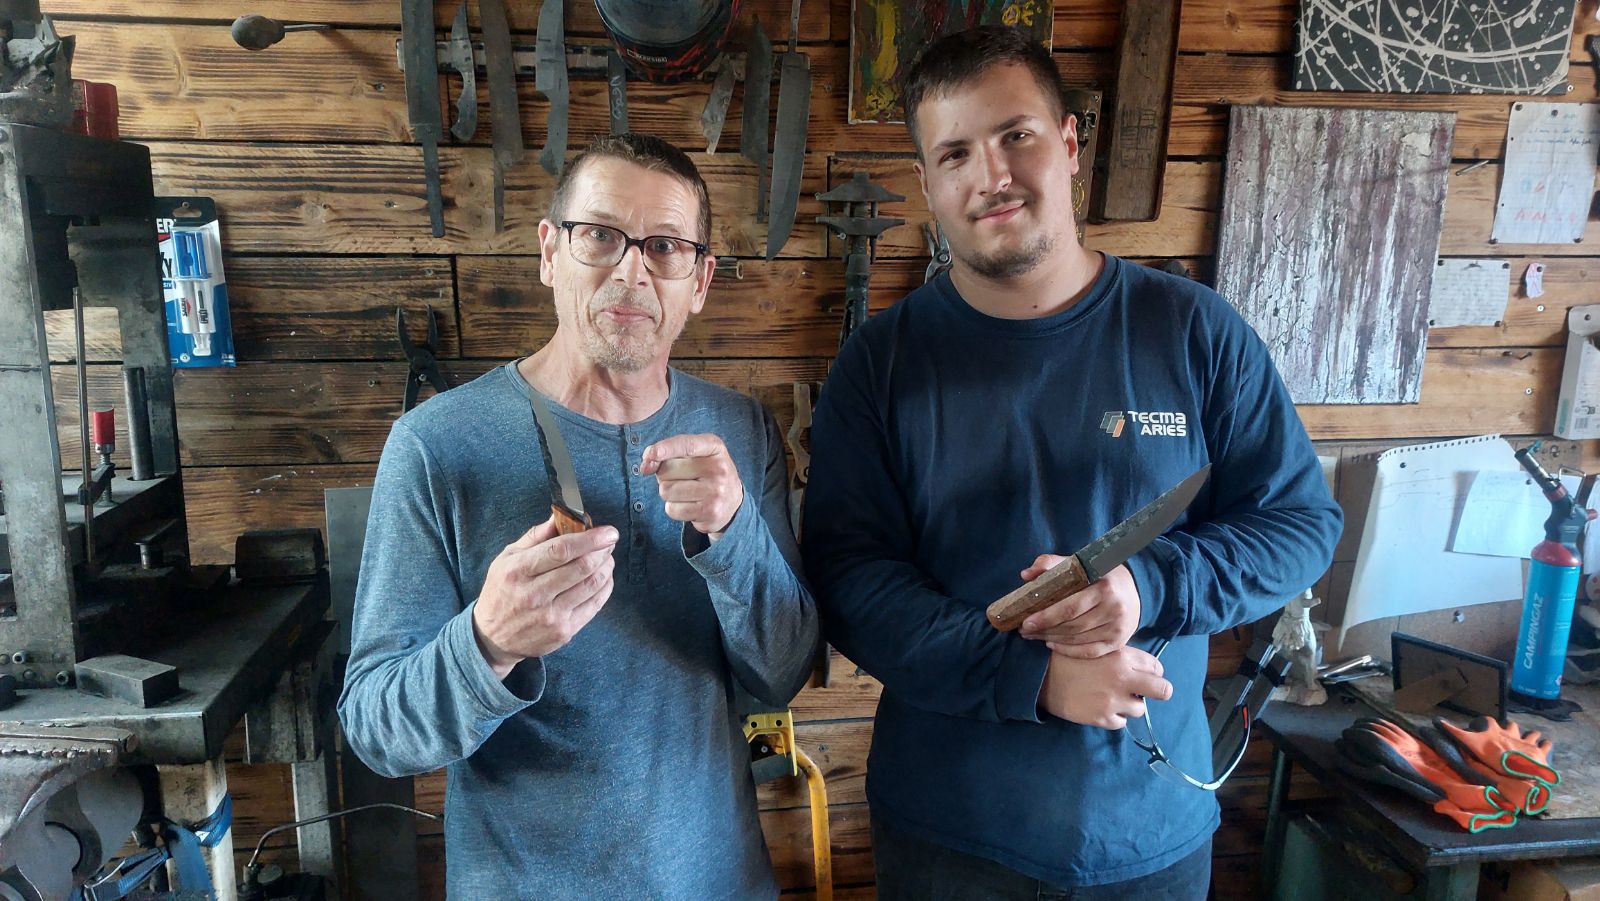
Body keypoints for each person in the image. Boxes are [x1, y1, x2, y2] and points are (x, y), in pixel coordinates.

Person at [801, 26, 1343, 899]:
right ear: (928, 185)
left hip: (1153, 834)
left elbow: (1300, 526)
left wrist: (1150, 586)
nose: (992, 175)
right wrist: (1032, 675)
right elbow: (851, 583)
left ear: (1069, 143)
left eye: (1015, 135)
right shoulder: (879, 364)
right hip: (949, 835)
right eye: (955, 154)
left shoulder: (1195, 331)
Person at [338, 132, 819, 899]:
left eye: (664, 246)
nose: (631, 270)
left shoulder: (742, 431)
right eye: (600, 235)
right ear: (549, 252)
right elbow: (377, 730)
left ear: (699, 280)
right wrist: (488, 641)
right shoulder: (435, 446)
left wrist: (736, 536)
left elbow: (784, 669)